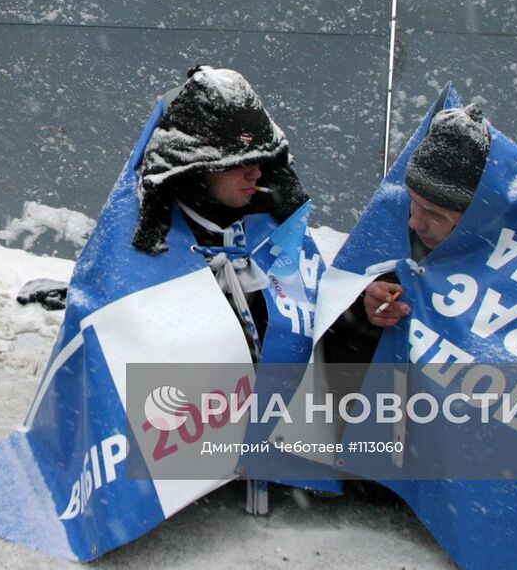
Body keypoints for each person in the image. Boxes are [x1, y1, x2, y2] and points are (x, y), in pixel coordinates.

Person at [132, 66, 309, 359]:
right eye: (238, 162)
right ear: (196, 168)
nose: (256, 173)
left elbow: (323, 344)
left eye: (264, 160)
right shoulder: (146, 255)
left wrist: (364, 308)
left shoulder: (276, 233)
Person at [321, 103, 490, 364]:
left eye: (435, 214)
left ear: (473, 220)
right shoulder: (393, 244)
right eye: (413, 202)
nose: (414, 222)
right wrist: (366, 307)